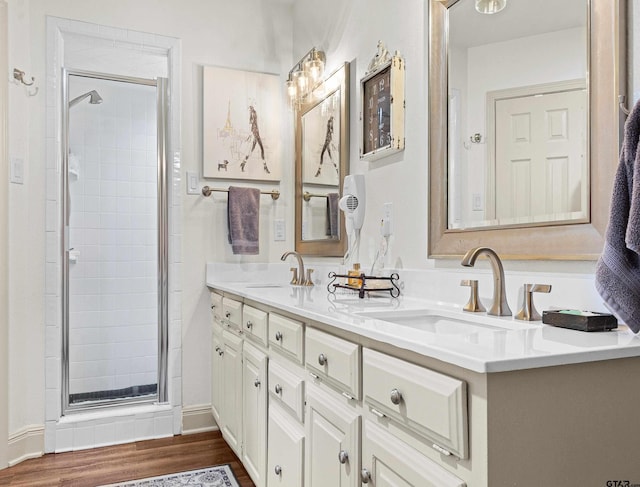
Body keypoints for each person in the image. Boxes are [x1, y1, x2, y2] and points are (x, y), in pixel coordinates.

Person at [241, 105, 270, 174]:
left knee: (251, 150)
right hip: (256, 133)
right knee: (261, 149)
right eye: (251, 109)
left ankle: (243, 163)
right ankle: (265, 166)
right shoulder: (253, 115)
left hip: (256, 133)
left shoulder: (254, 114)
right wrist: (250, 135)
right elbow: (252, 125)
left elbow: (252, 124)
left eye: (251, 109)